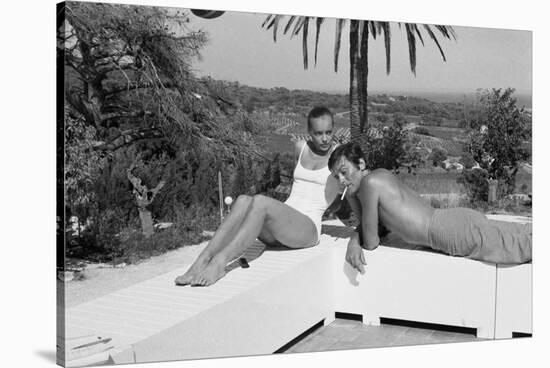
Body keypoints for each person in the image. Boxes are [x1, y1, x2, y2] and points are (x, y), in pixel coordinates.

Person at [175, 106, 339, 286]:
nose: (325, 138)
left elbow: (352, 183)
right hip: (281, 228)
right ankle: (202, 260)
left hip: (307, 229)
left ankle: (220, 262)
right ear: (309, 132)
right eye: (318, 133)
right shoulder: (301, 148)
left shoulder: (339, 155)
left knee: (260, 201)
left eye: (329, 132)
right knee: (243, 200)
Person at [328, 143, 532, 274]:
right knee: (519, 235)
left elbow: (371, 241)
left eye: (344, 172)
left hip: (446, 231)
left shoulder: (369, 184)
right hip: (451, 221)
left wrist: (354, 240)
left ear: (361, 164)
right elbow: (378, 228)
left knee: (520, 247)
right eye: (337, 177)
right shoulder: (379, 175)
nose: (342, 180)